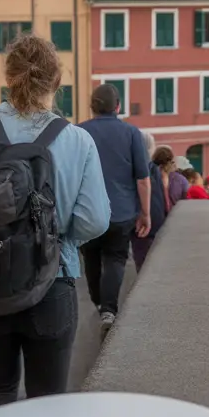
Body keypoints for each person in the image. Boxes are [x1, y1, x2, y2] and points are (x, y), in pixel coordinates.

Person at [0, 35, 110, 411]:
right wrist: (55, 239)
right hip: (51, 285)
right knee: (46, 405)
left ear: (8, 78)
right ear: (57, 82)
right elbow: (96, 220)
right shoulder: (77, 141)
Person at [80, 83, 151, 334]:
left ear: (92, 106)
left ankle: (98, 301)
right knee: (115, 258)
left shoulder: (79, 132)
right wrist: (145, 213)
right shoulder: (132, 133)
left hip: (87, 213)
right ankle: (108, 310)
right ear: (118, 106)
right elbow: (143, 179)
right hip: (121, 213)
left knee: (90, 257)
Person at [131, 131, 167, 271]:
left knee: (142, 259)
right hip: (156, 218)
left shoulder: (136, 167)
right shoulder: (153, 168)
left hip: (142, 220)